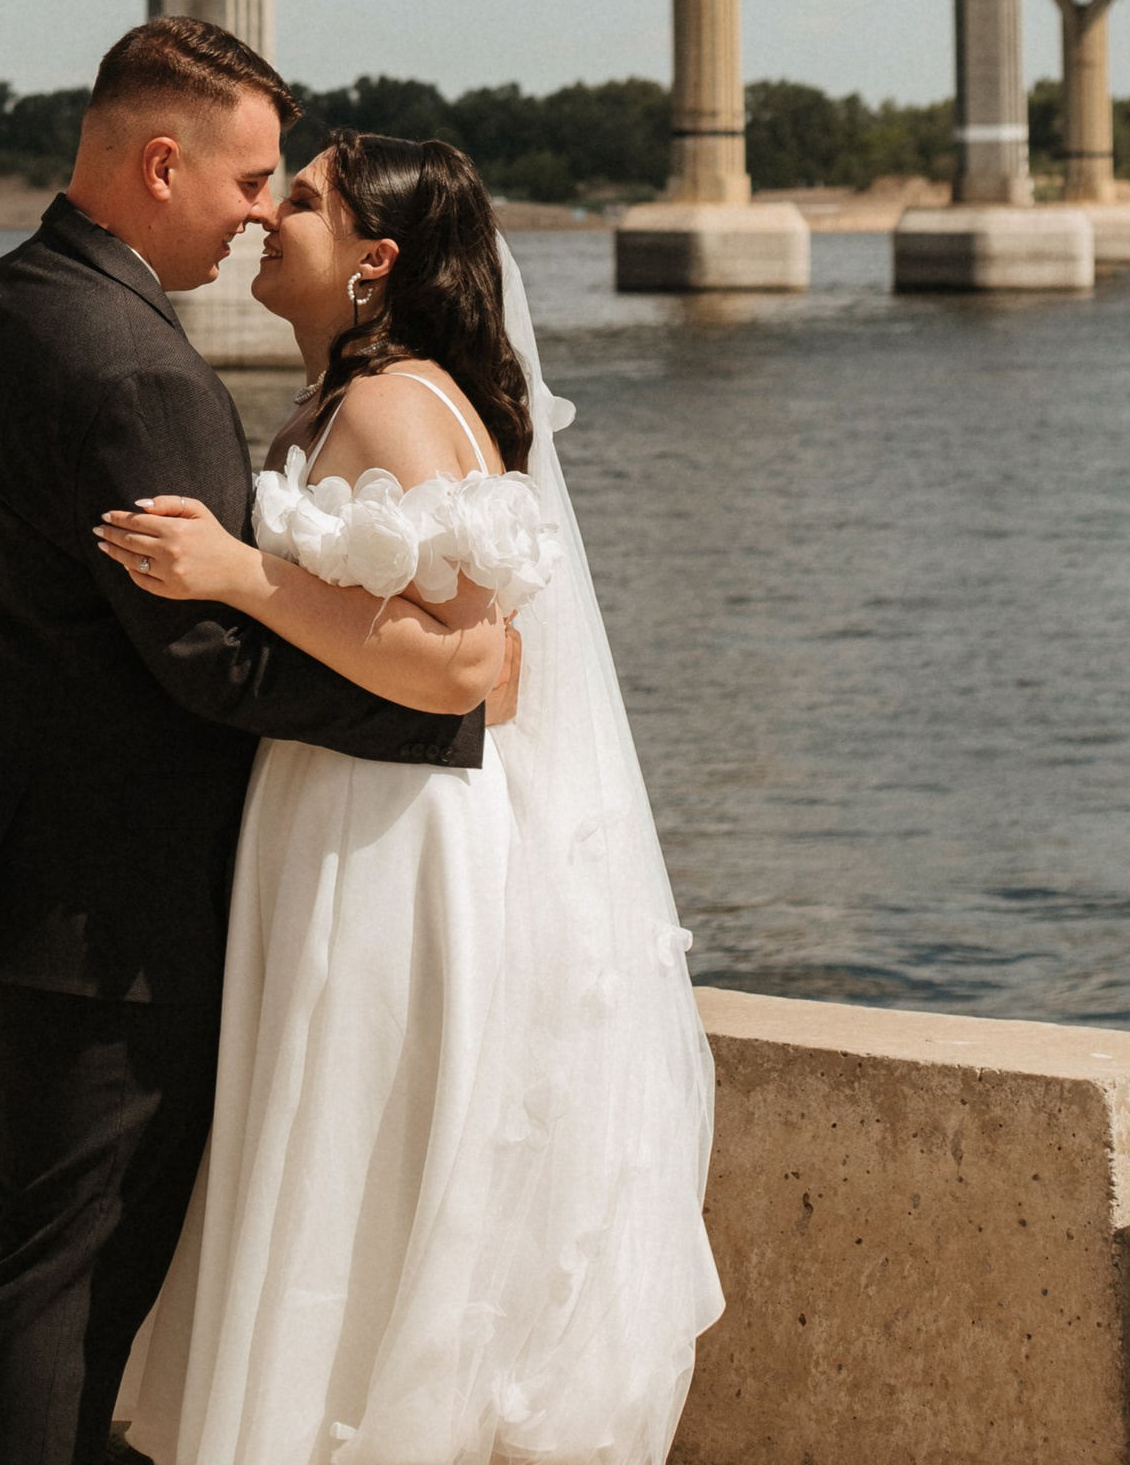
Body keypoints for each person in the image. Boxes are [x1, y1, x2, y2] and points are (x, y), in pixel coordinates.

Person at [0, 22, 494, 1465]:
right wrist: (441, 702)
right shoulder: (140, 370)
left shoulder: (4, 303)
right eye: (250, 177)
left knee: (17, 1256)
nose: (258, 214)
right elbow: (213, 661)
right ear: (162, 162)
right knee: (68, 1284)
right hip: (106, 912)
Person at [99, 132, 721, 1465]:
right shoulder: (350, 401)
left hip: (386, 836)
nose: (270, 215)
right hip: (335, 813)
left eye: (305, 200)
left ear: (374, 262)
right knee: (337, 1157)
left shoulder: (391, 410)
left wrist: (236, 576)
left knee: (357, 1165)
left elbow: (477, 677)